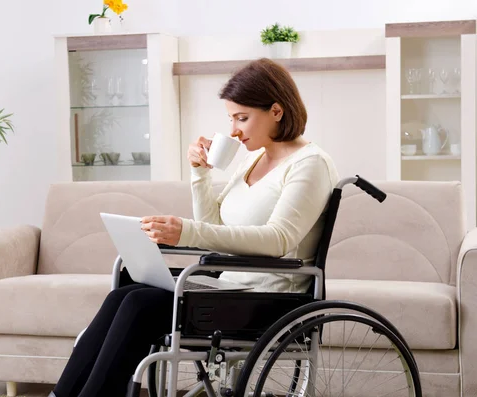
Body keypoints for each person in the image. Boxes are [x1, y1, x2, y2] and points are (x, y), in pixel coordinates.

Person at [49, 58, 340, 397]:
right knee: (125, 294)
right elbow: (212, 227)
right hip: (230, 286)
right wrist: (200, 173)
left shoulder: (310, 164)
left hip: (271, 297)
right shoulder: (253, 158)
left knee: (139, 306)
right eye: (230, 118)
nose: (233, 130)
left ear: (277, 110)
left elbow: (278, 240)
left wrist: (185, 231)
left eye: (242, 118)